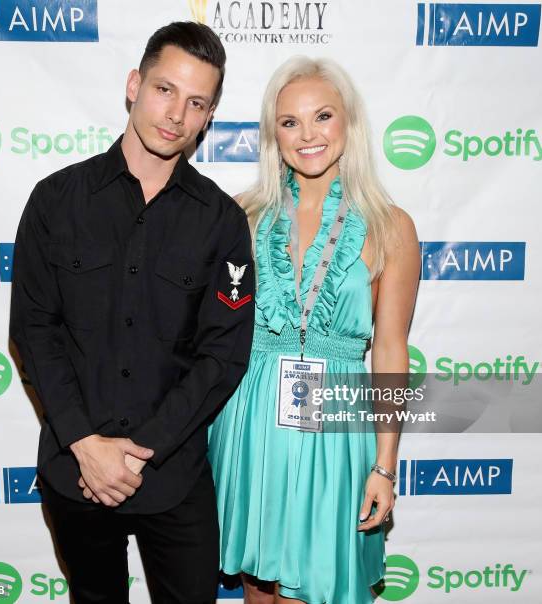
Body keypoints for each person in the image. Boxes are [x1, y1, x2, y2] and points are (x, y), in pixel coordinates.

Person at [9, 21, 255, 604]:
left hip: (174, 477)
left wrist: (139, 452)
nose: (176, 114)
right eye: (165, 89)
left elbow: (222, 355)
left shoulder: (221, 221)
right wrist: (87, 446)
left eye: (196, 102)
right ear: (133, 85)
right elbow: (33, 330)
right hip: (77, 473)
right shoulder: (56, 200)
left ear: (209, 115)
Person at [208, 56, 420, 604]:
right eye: (289, 122)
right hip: (252, 421)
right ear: (273, 135)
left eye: (322, 116)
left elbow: (392, 349)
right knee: (260, 585)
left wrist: (384, 465)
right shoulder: (242, 217)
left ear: (348, 123)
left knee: (318, 587)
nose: (308, 135)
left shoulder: (391, 226)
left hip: (336, 429)